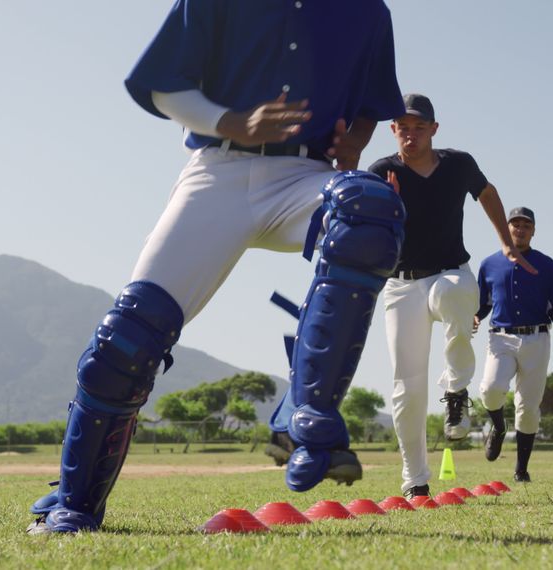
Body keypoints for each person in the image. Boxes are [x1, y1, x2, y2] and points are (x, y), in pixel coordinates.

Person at [27, 0, 406, 534]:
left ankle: (308, 420)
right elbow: (162, 84)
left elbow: (373, 99)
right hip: (217, 173)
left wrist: (359, 138)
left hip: (307, 178)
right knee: (125, 343)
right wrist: (232, 121)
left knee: (368, 210)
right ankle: (75, 502)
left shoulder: (367, 10)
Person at [367, 93, 536, 499]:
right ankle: (415, 481)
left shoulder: (458, 164)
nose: (410, 136)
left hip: (449, 273)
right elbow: (365, 225)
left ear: (434, 129)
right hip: (401, 284)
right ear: (393, 130)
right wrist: (384, 203)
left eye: (419, 128)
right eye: (402, 128)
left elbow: (489, 192)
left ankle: (456, 390)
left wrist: (507, 244)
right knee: (406, 386)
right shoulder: (381, 170)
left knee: (457, 291)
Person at [473, 207, 553, 483]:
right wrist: (475, 316)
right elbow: (484, 304)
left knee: (528, 408)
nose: (520, 228)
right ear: (506, 228)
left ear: (533, 231)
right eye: (515, 223)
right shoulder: (489, 264)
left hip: (536, 339)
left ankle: (521, 469)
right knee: (490, 390)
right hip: (500, 337)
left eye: (526, 225)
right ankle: (499, 427)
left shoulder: (546, 264)